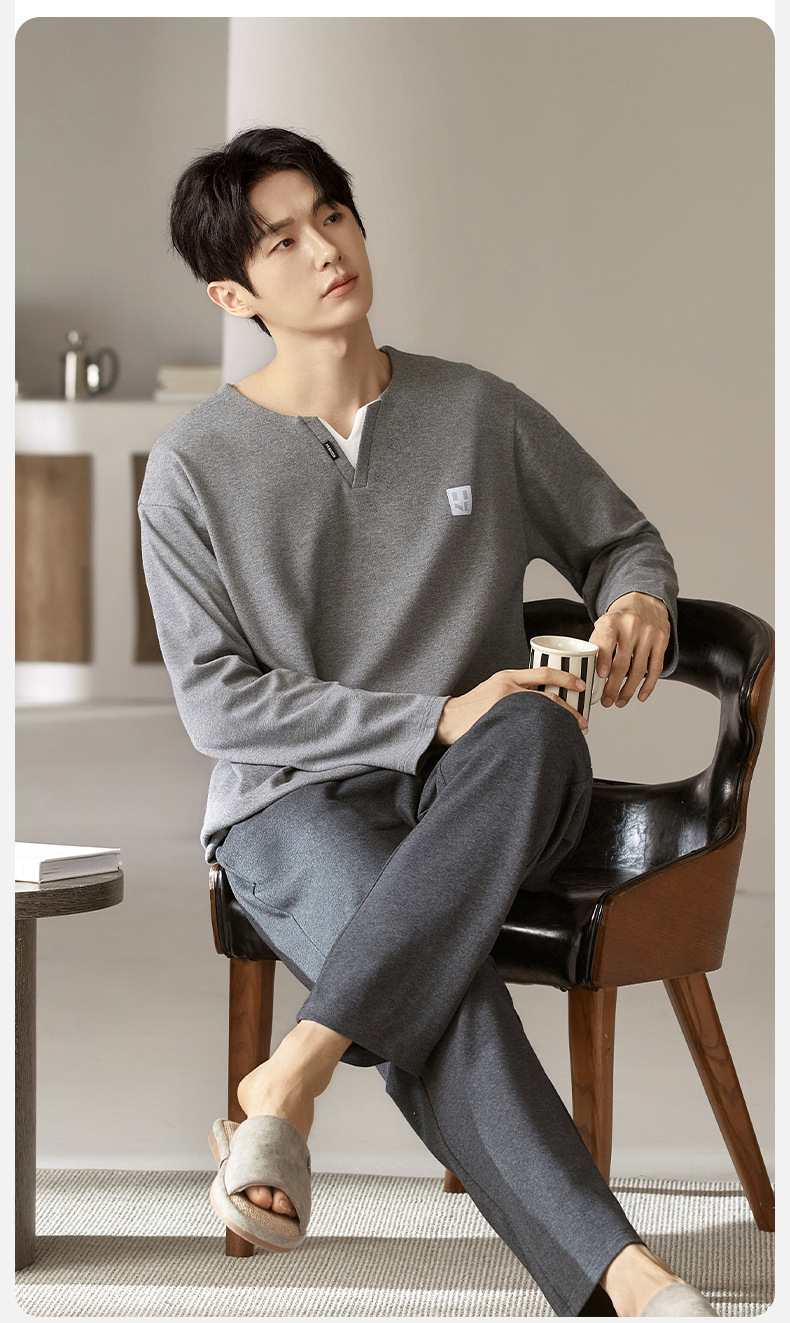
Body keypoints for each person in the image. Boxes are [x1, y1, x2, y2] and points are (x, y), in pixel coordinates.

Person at [139, 126, 718, 1318]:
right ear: (234, 295)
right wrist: (431, 713)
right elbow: (218, 701)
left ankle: (290, 1077)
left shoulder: (477, 411)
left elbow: (622, 539)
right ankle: (627, 1278)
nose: (325, 250)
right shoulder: (193, 468)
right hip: (291, 806)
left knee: (537, 727)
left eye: (332, 215)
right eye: (280, 242)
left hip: (487, 789)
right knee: (430, 977)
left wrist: (638, 602)